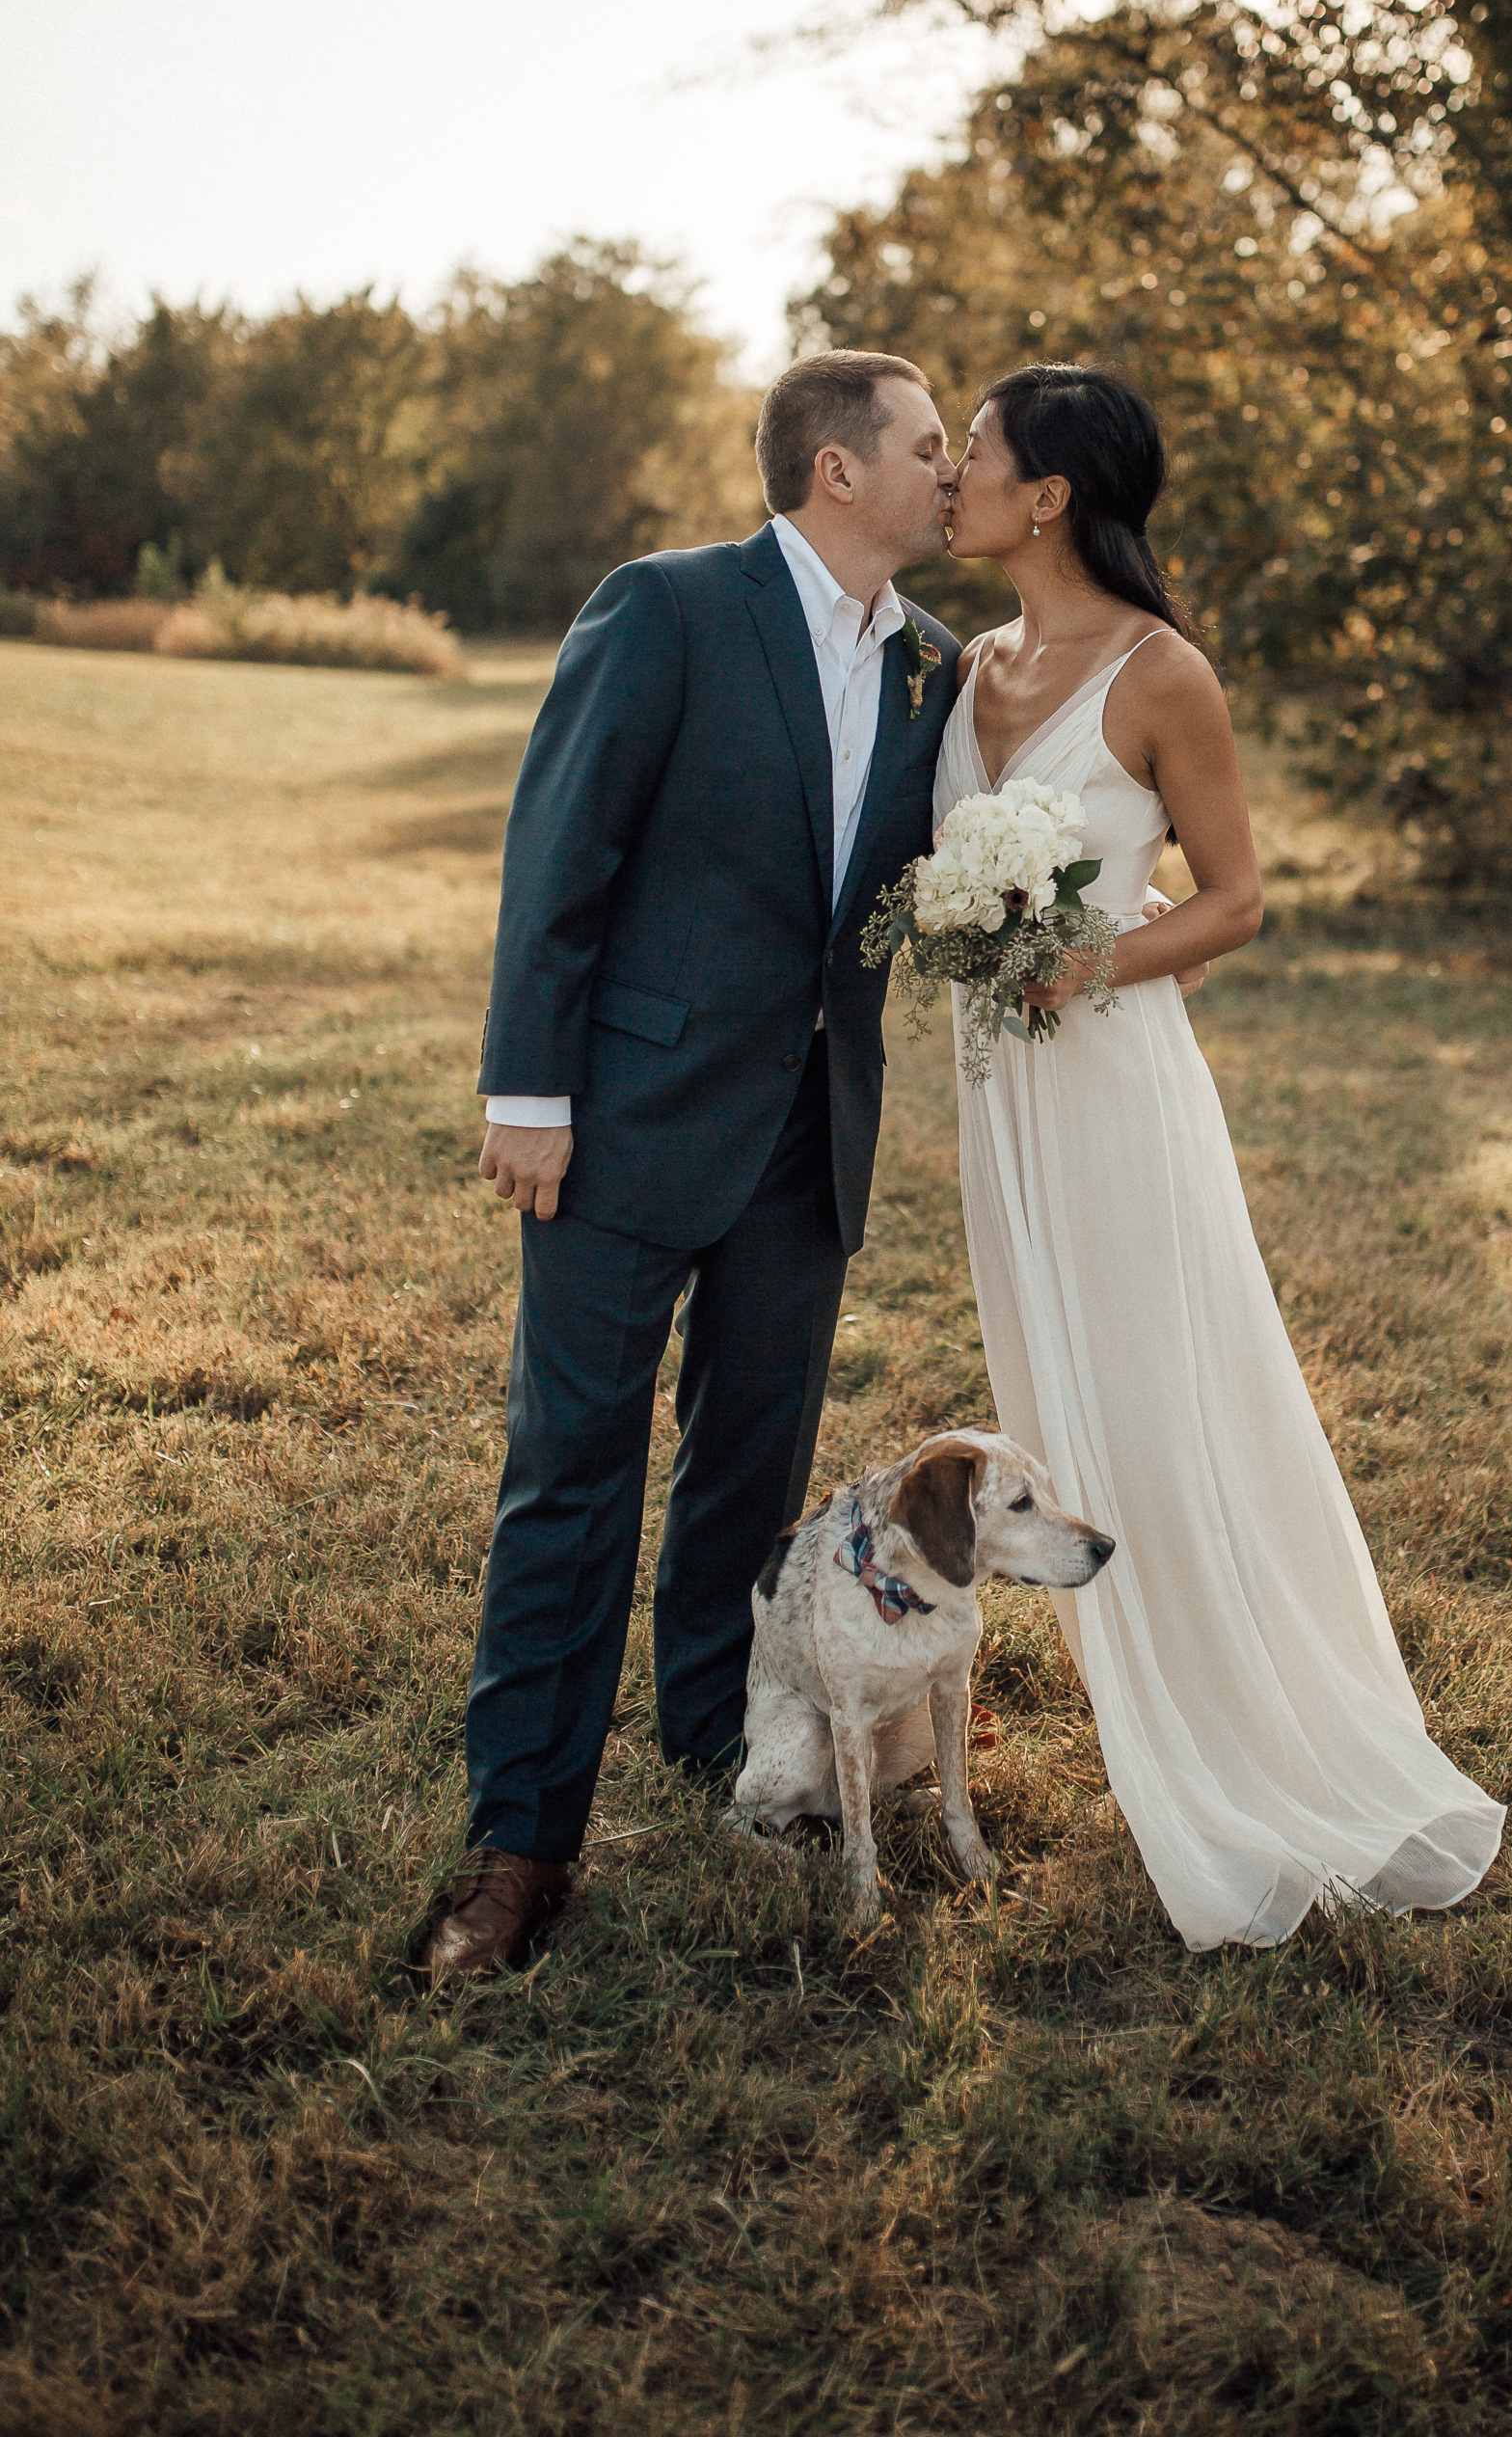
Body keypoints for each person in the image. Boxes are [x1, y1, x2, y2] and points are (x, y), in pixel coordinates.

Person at [935, 363, 1503, 1950]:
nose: (951, 475)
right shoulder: (969, 663)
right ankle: (1133, 1703)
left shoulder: (1160, 673)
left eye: (973, 452)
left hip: (1113, 1084)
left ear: (1048, 493)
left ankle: (1230, 1731)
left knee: (1153, 1404)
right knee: (1055, 1391)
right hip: (999, 1101)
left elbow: (1236, 900)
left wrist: (1085, 964)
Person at [413, 351, 961, 1986]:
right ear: (837, 469)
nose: (957, 471)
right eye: (931, 447)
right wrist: (528, 1086)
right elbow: (560, 848)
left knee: (749, 1473)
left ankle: (720, 1740)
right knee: (570, 1476)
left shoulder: (934, 665)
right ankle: (521, 1841)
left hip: (809, 1142)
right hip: (625, 1119)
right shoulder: (665, 607)